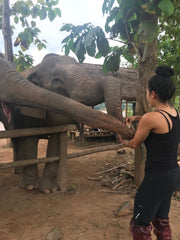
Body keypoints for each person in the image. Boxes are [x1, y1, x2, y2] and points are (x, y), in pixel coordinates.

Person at [122, 65, 180, 240]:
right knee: (161, 220)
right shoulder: (175, 113)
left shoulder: (151, 118)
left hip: (155, 179)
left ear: (152, 93)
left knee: (139, 225)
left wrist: (123, 139)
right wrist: (138, 118)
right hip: (172, 176)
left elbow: (134, 144)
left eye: (147, 91)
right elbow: (158, 120)